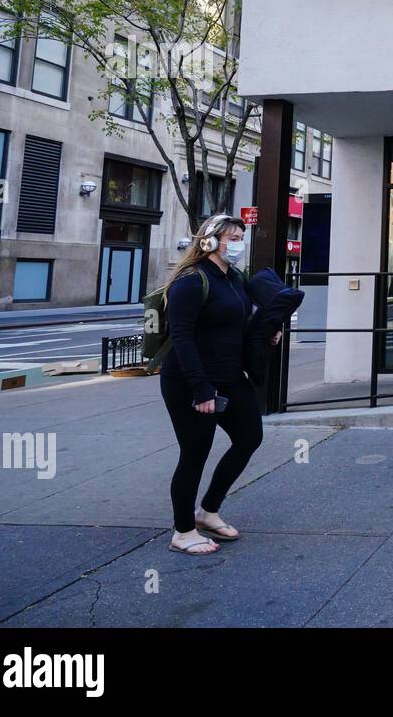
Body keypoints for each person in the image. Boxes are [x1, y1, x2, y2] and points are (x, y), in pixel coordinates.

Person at [159, 214, 281, 554]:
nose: (238, 243)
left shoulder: (235, 279)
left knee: (249, 437)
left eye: (241, 236)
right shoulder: (191, 281)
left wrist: (266, 335)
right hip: (190, 381)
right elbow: (181, 338)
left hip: (229, 377)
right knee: (194, 453)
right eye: (231, 237)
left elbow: (235, 325)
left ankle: (208, 511)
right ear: (209, 242)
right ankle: (183, 531)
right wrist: (201, 390)